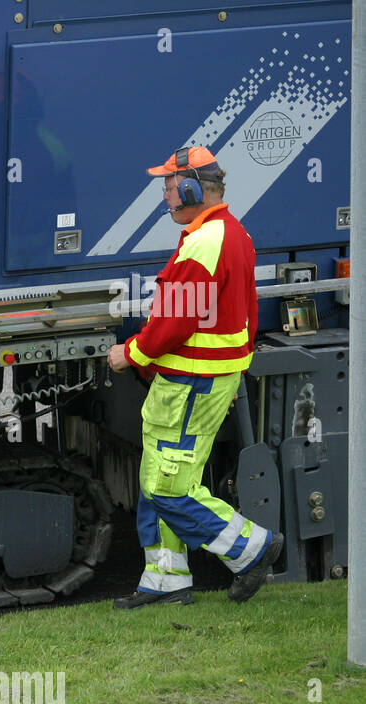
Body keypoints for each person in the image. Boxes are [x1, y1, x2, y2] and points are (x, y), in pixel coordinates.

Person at [106, 146, 283, 608]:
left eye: (168, 187)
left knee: (169, 487)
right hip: (204, 380)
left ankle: (250, 548)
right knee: (157, 478)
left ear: (190, 188)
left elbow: (178, 320)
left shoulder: (204, 241)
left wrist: (132, 353)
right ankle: (165, 580)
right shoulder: (226, 233)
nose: (165, 196)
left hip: (190, 382)